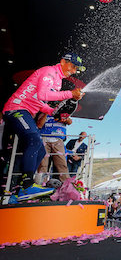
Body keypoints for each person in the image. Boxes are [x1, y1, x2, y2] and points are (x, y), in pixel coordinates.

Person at [1, 53, 85, 200]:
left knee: (40, 151)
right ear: (62, 62)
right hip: (16, 108)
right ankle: (27, 186)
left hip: (26, 111)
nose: (73, 71)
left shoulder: (58, 81)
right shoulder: (49, 72)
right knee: (34, 140)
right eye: (72, 66)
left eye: (76, 69)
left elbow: (41, 103)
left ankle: (21, 189)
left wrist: (54, 112)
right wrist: (70, 94)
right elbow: (42, 94)